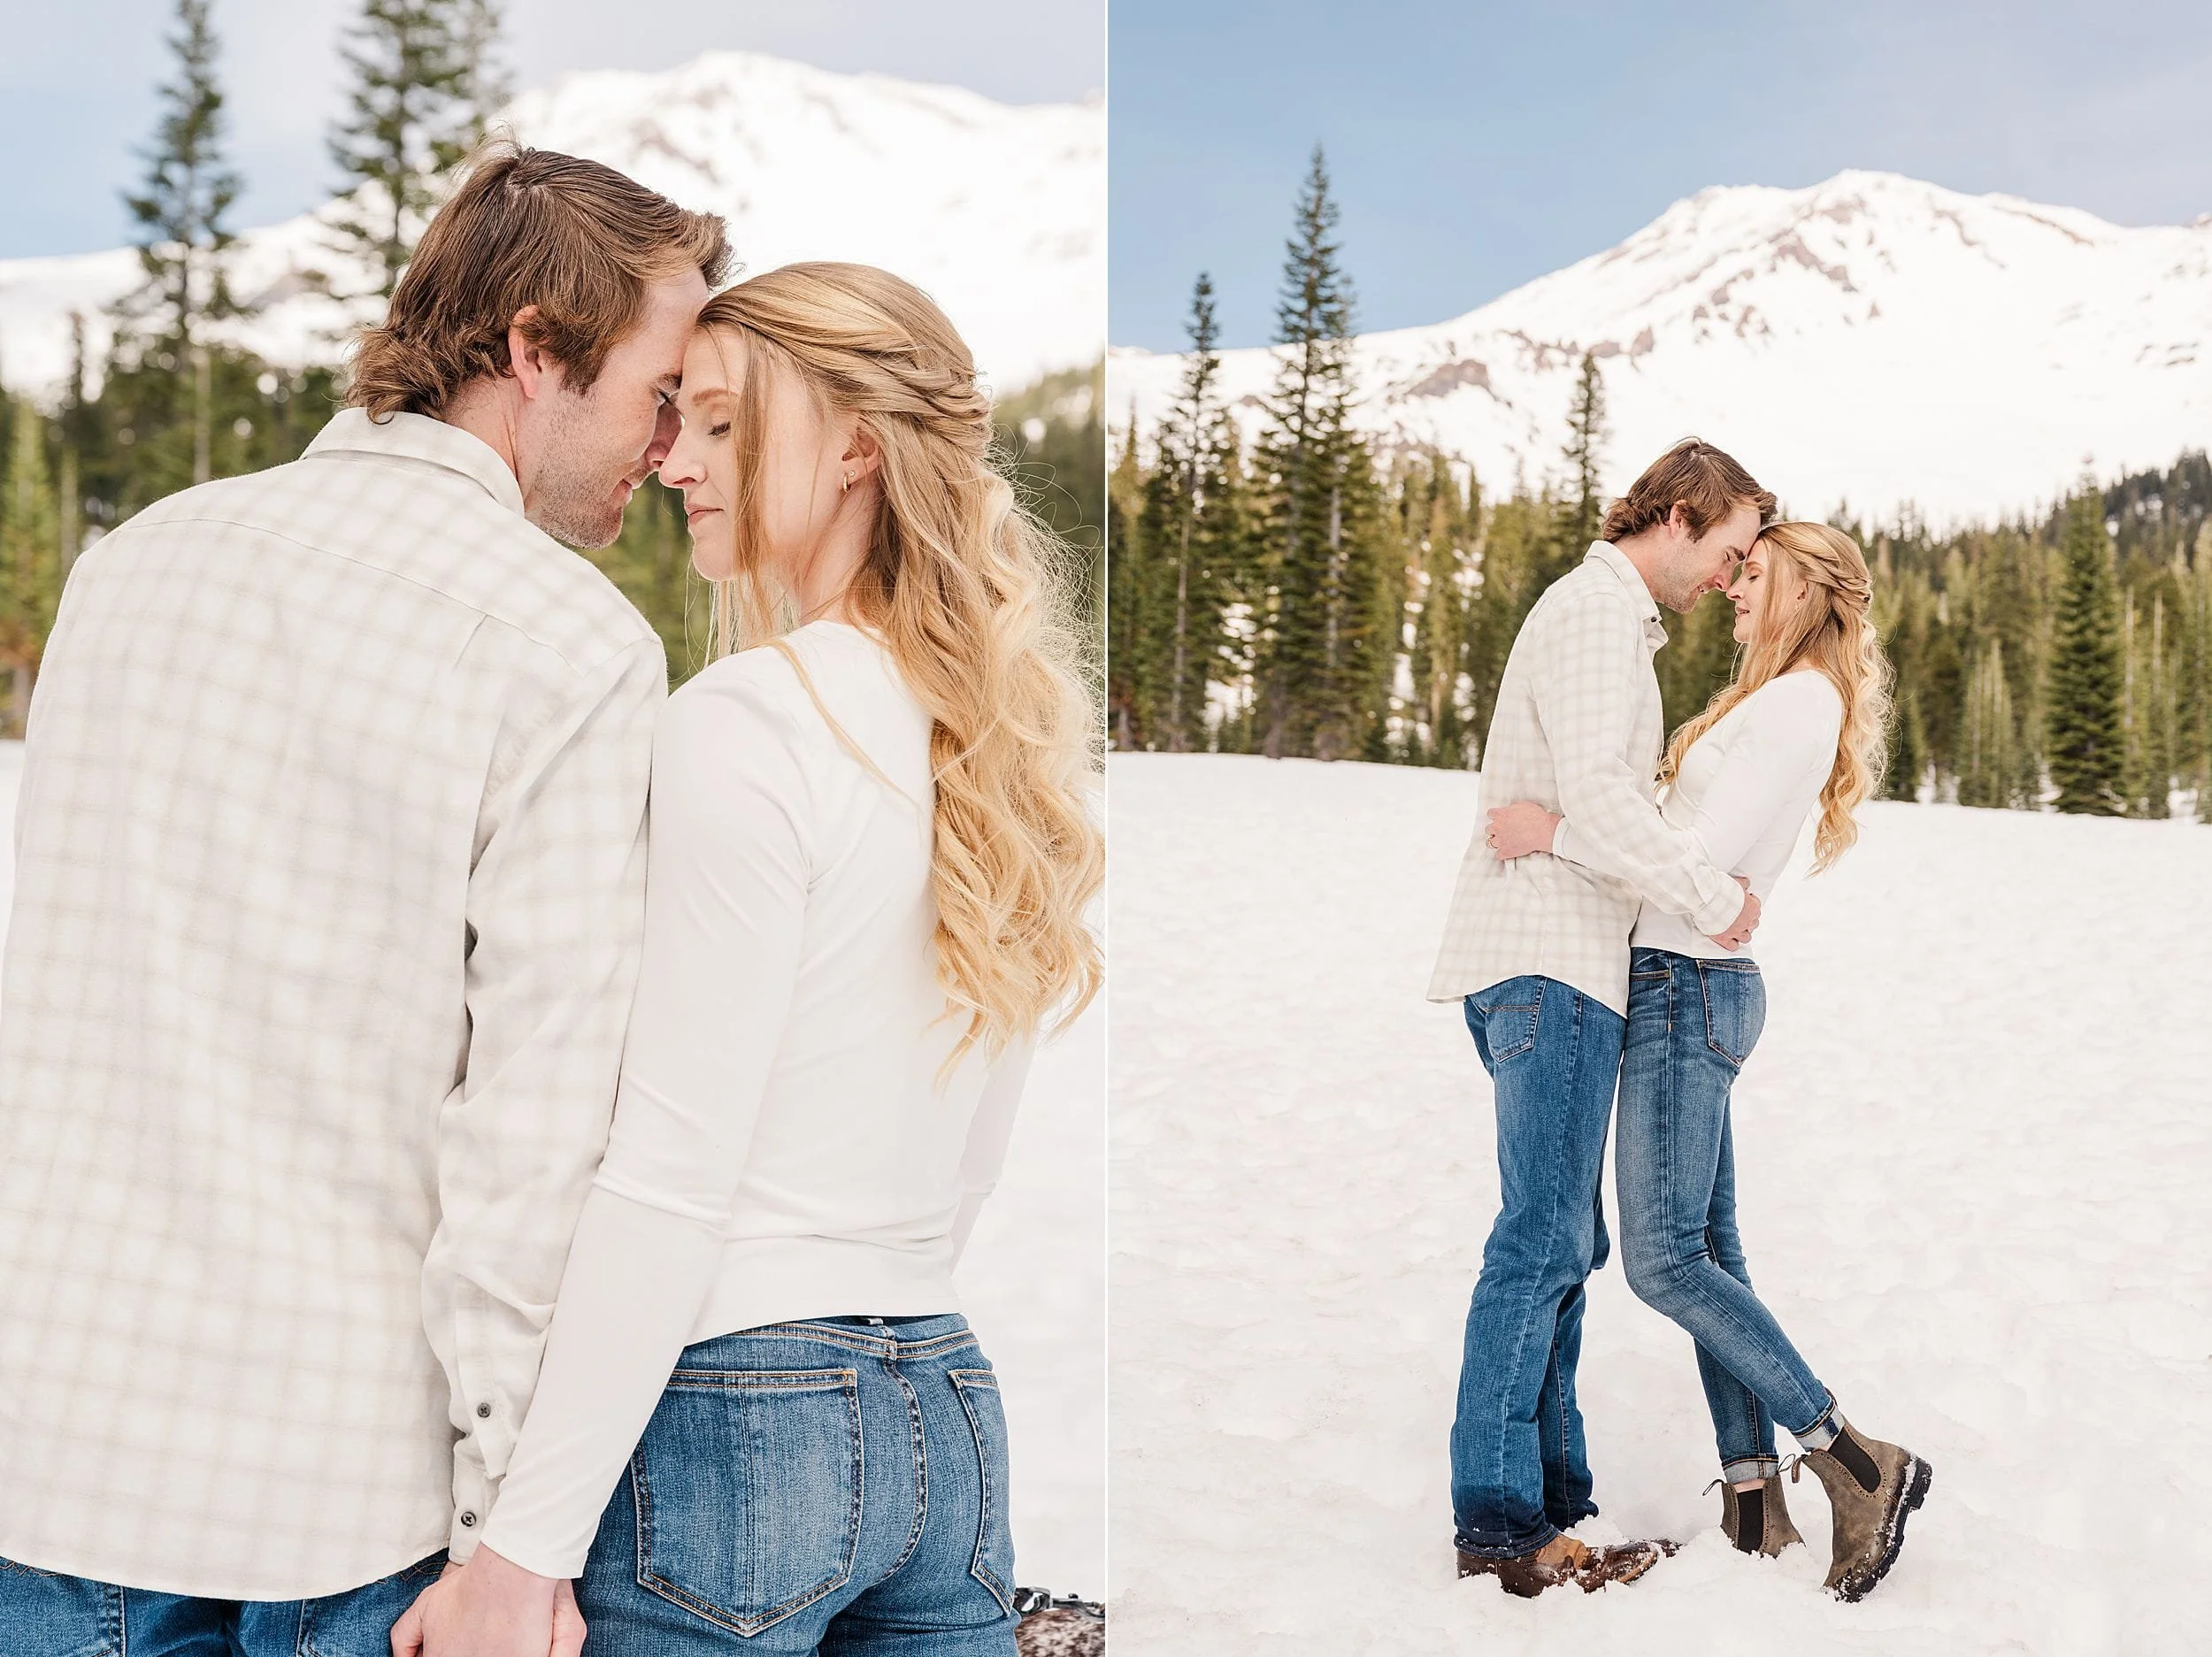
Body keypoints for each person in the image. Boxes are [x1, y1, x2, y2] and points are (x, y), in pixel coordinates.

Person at [0, 143, 727, 1655]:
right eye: (660, 391)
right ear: (536, 348)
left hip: (45, 1455)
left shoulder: (133, 563)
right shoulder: (563, 641)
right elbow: (530, 1133)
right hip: (338, 1504)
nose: (667, 450)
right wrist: (505, 1539)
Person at [396, 263, 1104, 1657]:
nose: (673, 463)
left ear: (855, 445)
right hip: (944, 1415)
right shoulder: (1003, 745)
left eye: (721, 425)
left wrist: (519, 1556)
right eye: (677, 422)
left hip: (735, 1418)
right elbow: (971, 1158)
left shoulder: (748, 722)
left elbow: (670, 1170)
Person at [1485, 520, 1931, 1601]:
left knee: (1663, 1261)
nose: (1732, 586)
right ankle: (1747, 1496)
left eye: (1752, 570)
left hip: (1686, 989)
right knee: (1708, 1250)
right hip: (1681, 985)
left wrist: (1553, 832)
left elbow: (1694, 860)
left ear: (1802, 586)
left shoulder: (1796, 701)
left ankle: (1856, 1460)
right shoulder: (1773, 696)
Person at [1427, 439, 1775, 1598]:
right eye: (1728, 551)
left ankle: (1552, 1509)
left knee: (1565, 1242)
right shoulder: (1593, 615)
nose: (1731, 579)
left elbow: (1587, 802)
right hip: (1550, 961)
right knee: (1541, 1240)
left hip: (1554, 961)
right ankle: (1503, 1526)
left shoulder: (1610, 623)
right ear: (1678, 514)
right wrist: (1714, 896)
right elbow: (1605, 798)